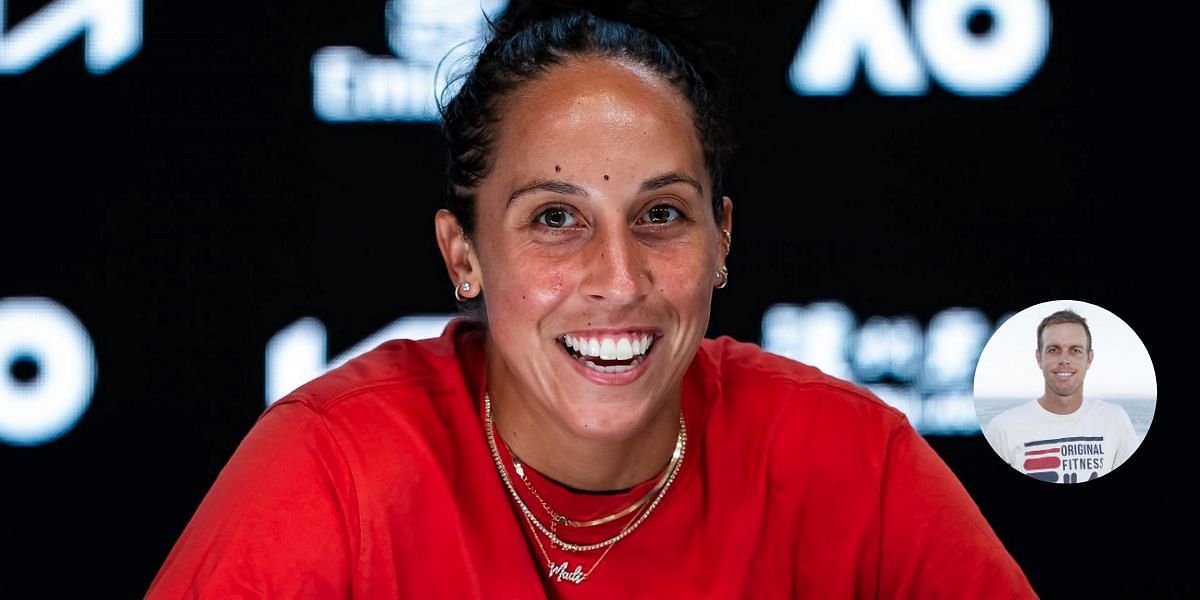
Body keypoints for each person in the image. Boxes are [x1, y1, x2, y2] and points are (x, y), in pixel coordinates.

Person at [147, 3, 1034, 597]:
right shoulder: (334, 466)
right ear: (464, 255)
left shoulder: (851, 462)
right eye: (556, 218)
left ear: (721, 239)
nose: (619, 279)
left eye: (660, 214)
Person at [984, 309, 1140, 483]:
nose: (1064, 359)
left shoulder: (1115, 420)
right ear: (1039, 358)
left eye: (1075, 350)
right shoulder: (1002, 429)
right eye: (1053, 350)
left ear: (1089, 359)